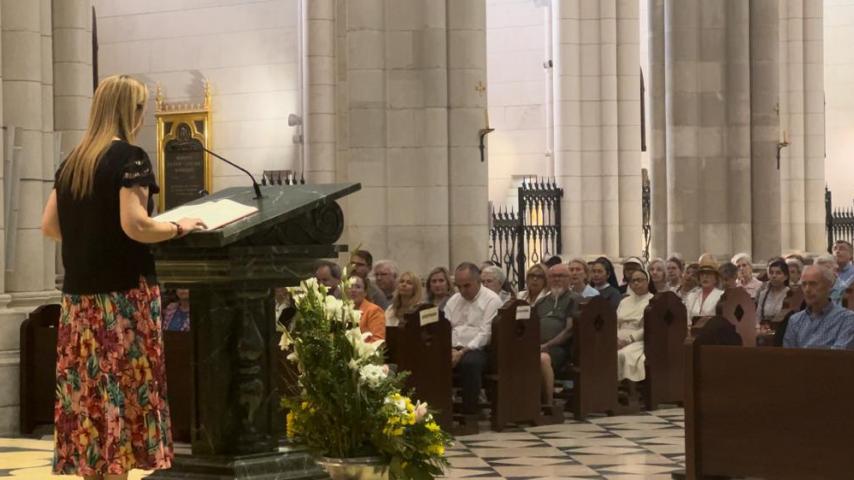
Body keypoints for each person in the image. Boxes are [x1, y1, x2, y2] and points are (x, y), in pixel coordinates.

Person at [41, 75, 206, 478]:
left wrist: (91, 239)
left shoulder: (73, 161)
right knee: (124, 397)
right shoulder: (130, 158)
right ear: (130, 111)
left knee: (92, 401)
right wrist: (179, 226)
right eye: (140, 107)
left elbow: (49, 225)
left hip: (80, 303)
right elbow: (136, 225)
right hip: (122, 301)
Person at [444, 263, 503, 414]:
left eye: (466, 286)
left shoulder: (492, 300)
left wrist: (462, 352)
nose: (462, 290)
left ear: (478, 281)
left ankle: (470, 413)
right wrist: (447, 348)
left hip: (480, 350)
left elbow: (485, 334)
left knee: (470, 364)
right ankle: (440, 410)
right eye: (458, 286)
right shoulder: (454, 300)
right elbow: (445, 326)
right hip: (452, 347)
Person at [536, 263, 582, 408]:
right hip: (537, 346)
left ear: (569, 279)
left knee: (543, 358)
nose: (556, 279)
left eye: (561, 276)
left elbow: (569, 330)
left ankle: (548, 403)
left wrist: (546, 346)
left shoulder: (574, 299)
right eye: (553, 276)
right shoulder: (541, 302)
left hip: (560, 349)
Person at [783, 265, 854, 349]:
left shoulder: (846, 318)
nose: (807, 289)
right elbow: (788, 356)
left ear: (829, 286)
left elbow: (840, 354)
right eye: (804, 284)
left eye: (813, 284)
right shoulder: (795, 320)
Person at [617, 269, 654, 382]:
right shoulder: (624, 301)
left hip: (639, 340)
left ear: (647, 282)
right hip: (618, 338)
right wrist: (615, 339)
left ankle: (631, 392)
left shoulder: (653, 300)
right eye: (633, 281)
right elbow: (615, 322)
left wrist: (628, 340)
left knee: (623, 355)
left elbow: (649, 326)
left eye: (640, 280)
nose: (636, 283)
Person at [347, 274, 385, 342]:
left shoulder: (374, 311)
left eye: (358, 287)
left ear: (365, 292)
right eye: (350, 287)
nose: (353, 290)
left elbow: (378, 340)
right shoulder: (342, 310)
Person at [685, 258, 724, 322]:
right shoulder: (691, 296)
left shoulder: (722, 296)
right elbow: (687, 319)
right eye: (702, 273)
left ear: (716, 278)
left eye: (709, 273)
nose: (705, 276)